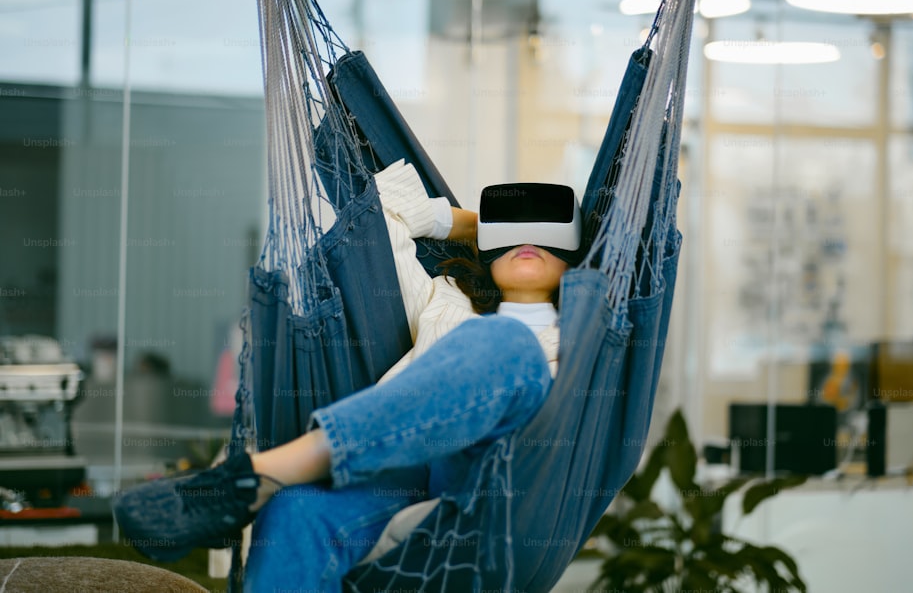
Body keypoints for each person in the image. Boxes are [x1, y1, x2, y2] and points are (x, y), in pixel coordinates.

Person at [113, 160, 582, 590]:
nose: (528, 241)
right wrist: (479, 225)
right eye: (515, 235)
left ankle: (269, 470)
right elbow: (378, 215)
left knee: (506, 342)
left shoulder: (586, 336)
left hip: (502, 481)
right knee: (296, 512)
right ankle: (267, 483)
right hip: (404, 470)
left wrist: (517, 232)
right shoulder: (443, 301)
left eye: (545, 234)